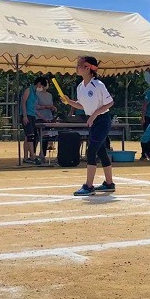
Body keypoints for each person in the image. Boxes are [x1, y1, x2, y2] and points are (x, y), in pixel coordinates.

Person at [60, 56, 115, 196]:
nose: (77, 67)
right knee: (101, 151)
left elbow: (110, 103)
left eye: (79, 65)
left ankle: (89, 186)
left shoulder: (98, 85)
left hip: (102, 120)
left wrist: (94, 115)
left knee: (91, 151)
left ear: (88, 68)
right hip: (94, 121)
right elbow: (82, 105)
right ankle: (109, 183)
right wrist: (69, 101)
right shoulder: (80, 87)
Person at [20, 76, 48, 165]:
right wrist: (24, 116)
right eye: (42, 86)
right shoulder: (28, 90)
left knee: (27, 137)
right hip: (27, 115)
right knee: (31, 136)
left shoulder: (35, 92)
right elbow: (23, 102)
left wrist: (43, 118)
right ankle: (33, 156)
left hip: (32, 115)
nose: (42, 88)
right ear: (39, 84)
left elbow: (34, 108)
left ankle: (26, 157)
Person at [35, 81, 57, 160]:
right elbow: (35, 107)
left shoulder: (49, 95)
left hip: (49, 118)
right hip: (39, 118)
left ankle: (42, 154)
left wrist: (53, 108)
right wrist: (46, 107)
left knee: (46, 137)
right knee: (37, 137)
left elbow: (51, 105)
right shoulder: (36, 94)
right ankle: (33, 154)